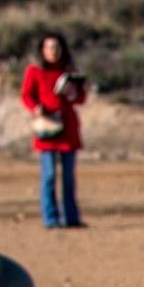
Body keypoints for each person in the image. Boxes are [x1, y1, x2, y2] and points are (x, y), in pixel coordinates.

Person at [20, 30, 86, 230]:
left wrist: (73, 94)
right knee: (49, 175)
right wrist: (35, 108)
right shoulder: (35, 71)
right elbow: (26, 95)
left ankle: (71, 218)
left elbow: (82, 98)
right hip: (47, 128)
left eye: (56, 47)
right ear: (42, 51)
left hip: (67, 128)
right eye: (49, 48)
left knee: (68, 176)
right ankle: (50, 218)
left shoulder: (69, 70)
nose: (53, 51)